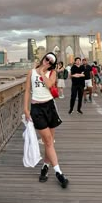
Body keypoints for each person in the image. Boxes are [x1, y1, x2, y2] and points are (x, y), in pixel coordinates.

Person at [24, 52, 69, 188]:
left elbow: (49, 85)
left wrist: (43, 71)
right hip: (37, 109)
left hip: (49, 107)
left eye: (51, 61)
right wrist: (26, 109)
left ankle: (45, 166)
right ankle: (58, 173)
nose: (47, 62)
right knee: (48, 140)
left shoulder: (52, 72)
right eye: (47, 59)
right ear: (43, 58)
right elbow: (27, 91)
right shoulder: (31, 72)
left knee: (49, 142)